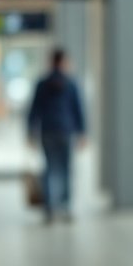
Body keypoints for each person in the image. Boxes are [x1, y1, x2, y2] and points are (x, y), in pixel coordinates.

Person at [27, 48, 86, 222]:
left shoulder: (42, 84)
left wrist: (30, 132)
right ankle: (65, 207)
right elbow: (78, 110)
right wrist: (82, 132)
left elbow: (34, 110)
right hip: (65, 131)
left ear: (51, 62)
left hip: (47, 130)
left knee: (49, 169)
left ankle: (49, 208)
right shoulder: (71, 83)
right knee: (66, 169)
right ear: (63, 62)